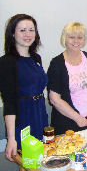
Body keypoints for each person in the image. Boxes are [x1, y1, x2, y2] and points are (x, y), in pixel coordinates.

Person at [0, 14, 48, 161]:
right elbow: (9, 103)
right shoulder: (6, 62)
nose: (28, 34)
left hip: (40, 113)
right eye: (22, 30)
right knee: (28, 162)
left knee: (42, 160)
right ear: (13, 33)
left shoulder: (36, 58)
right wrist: (11, 138)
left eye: (31, 30)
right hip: (23, 118)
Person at [47, 22, 87, 135]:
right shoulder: (57, 63)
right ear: (64, 39)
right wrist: (77, 118)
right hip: (67, 123)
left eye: (80, 37)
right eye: (72, 37)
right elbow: (54, 99)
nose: (76, 41)